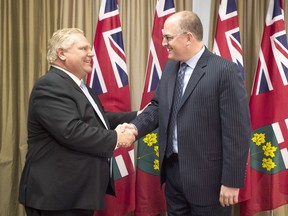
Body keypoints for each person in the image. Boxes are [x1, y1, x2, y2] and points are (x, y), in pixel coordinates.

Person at [125, 11, 251, 216]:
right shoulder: (170, 68)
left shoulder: (224, 71)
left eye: (168, 37)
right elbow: (157, 106)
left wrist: (232, 181)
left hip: (210, 182)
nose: (164, 42)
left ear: (188, 38)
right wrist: (135, 127)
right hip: (174, 175)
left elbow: (237, 131)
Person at [18, 28, 137, 216]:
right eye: (83, 48)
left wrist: (140, 116)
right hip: (57, 198)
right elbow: (71, 131)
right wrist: (117, 137)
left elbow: (100, 120)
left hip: (76, 194)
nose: (91, 53)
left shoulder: (80, 87)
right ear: (61, 54)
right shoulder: (50, 85)